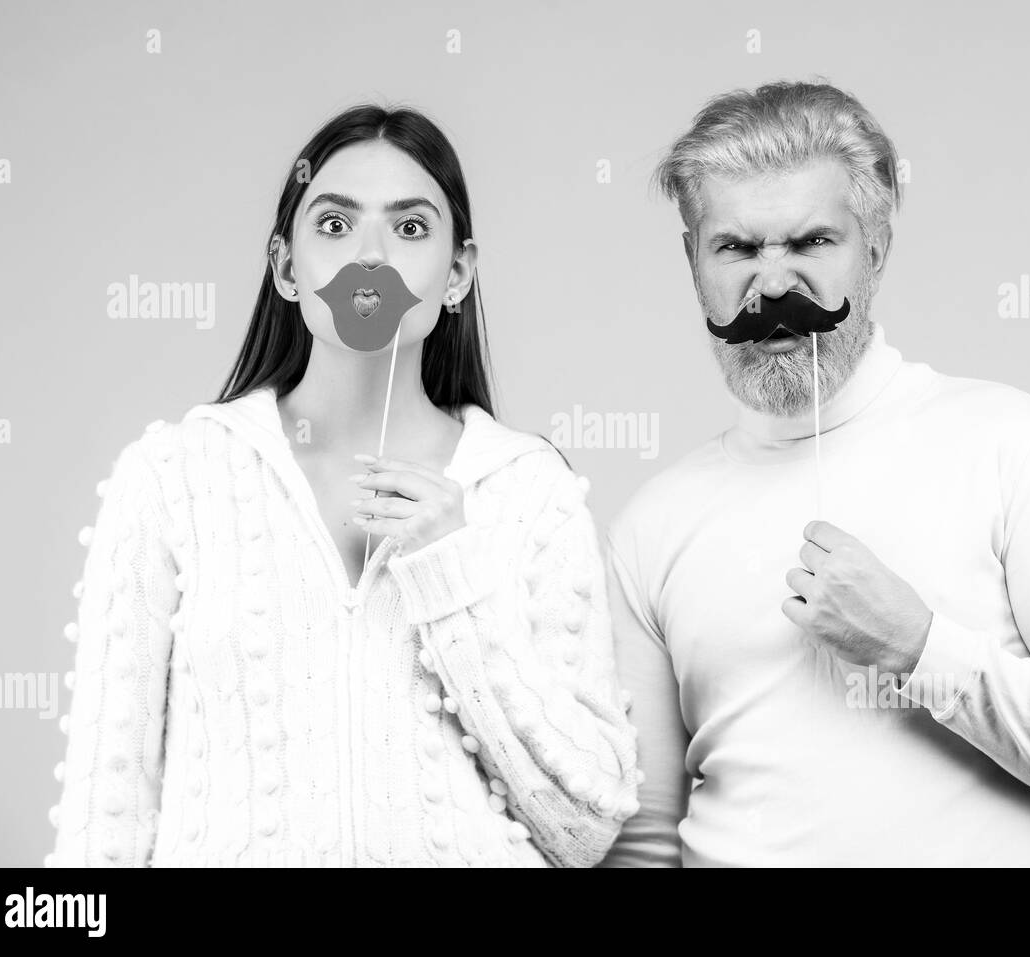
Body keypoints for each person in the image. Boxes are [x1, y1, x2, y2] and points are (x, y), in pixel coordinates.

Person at [599, 80, 1030, 867]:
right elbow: (644, 839)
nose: (772, 286)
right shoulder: (653, 522)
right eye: (736, 247)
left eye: (812, 242)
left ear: (874, 247)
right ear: (693, 261)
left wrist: (919, 648)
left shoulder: (1009, 442)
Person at [47, 103, 639, 868]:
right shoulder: (173, 478)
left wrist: (452, 575)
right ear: (288, 269)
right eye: (333, 225)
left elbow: (585, 826)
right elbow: (105, 820)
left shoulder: (531, 493)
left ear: (456, 274)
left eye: (410, 227)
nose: (370, 257)